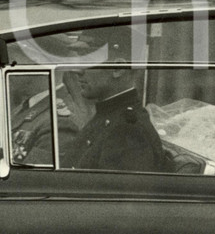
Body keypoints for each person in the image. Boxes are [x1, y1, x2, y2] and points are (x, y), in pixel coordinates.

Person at [58, 29, 166, 173]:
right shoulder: (109, 118)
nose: (78, 69)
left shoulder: (127, 131)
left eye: (88, 60)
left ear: (117, 68)